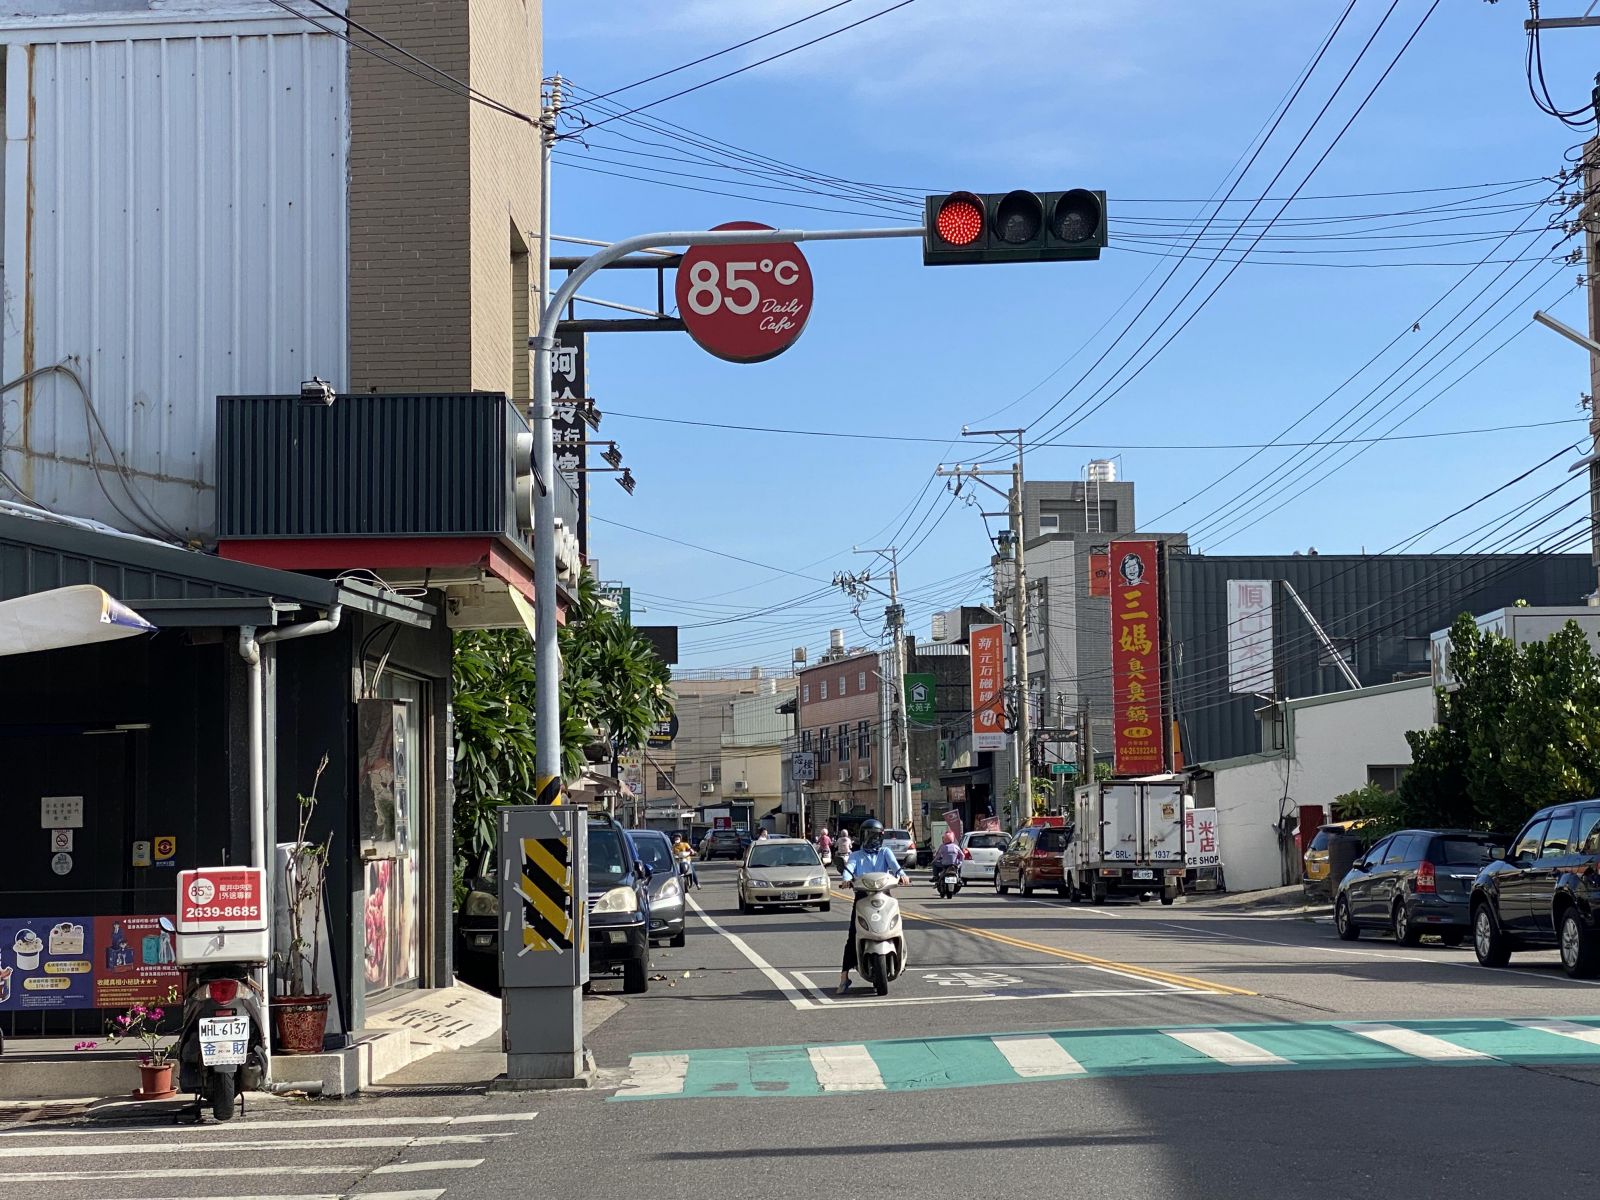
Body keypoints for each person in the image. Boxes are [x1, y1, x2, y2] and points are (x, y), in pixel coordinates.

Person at [837, 819, 907, 995]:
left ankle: (902, 959)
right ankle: (844, 977)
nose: (873, 839)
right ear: (862, 837)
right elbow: (849, 870)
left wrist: (903, 876)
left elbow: (896, 868)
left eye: (876, 836)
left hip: (884, 896)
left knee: (896, 926)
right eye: (869, 835)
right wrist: (846, 879)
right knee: (853, 934)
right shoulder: (856, 856)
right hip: (862, 897)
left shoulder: (885, 852)